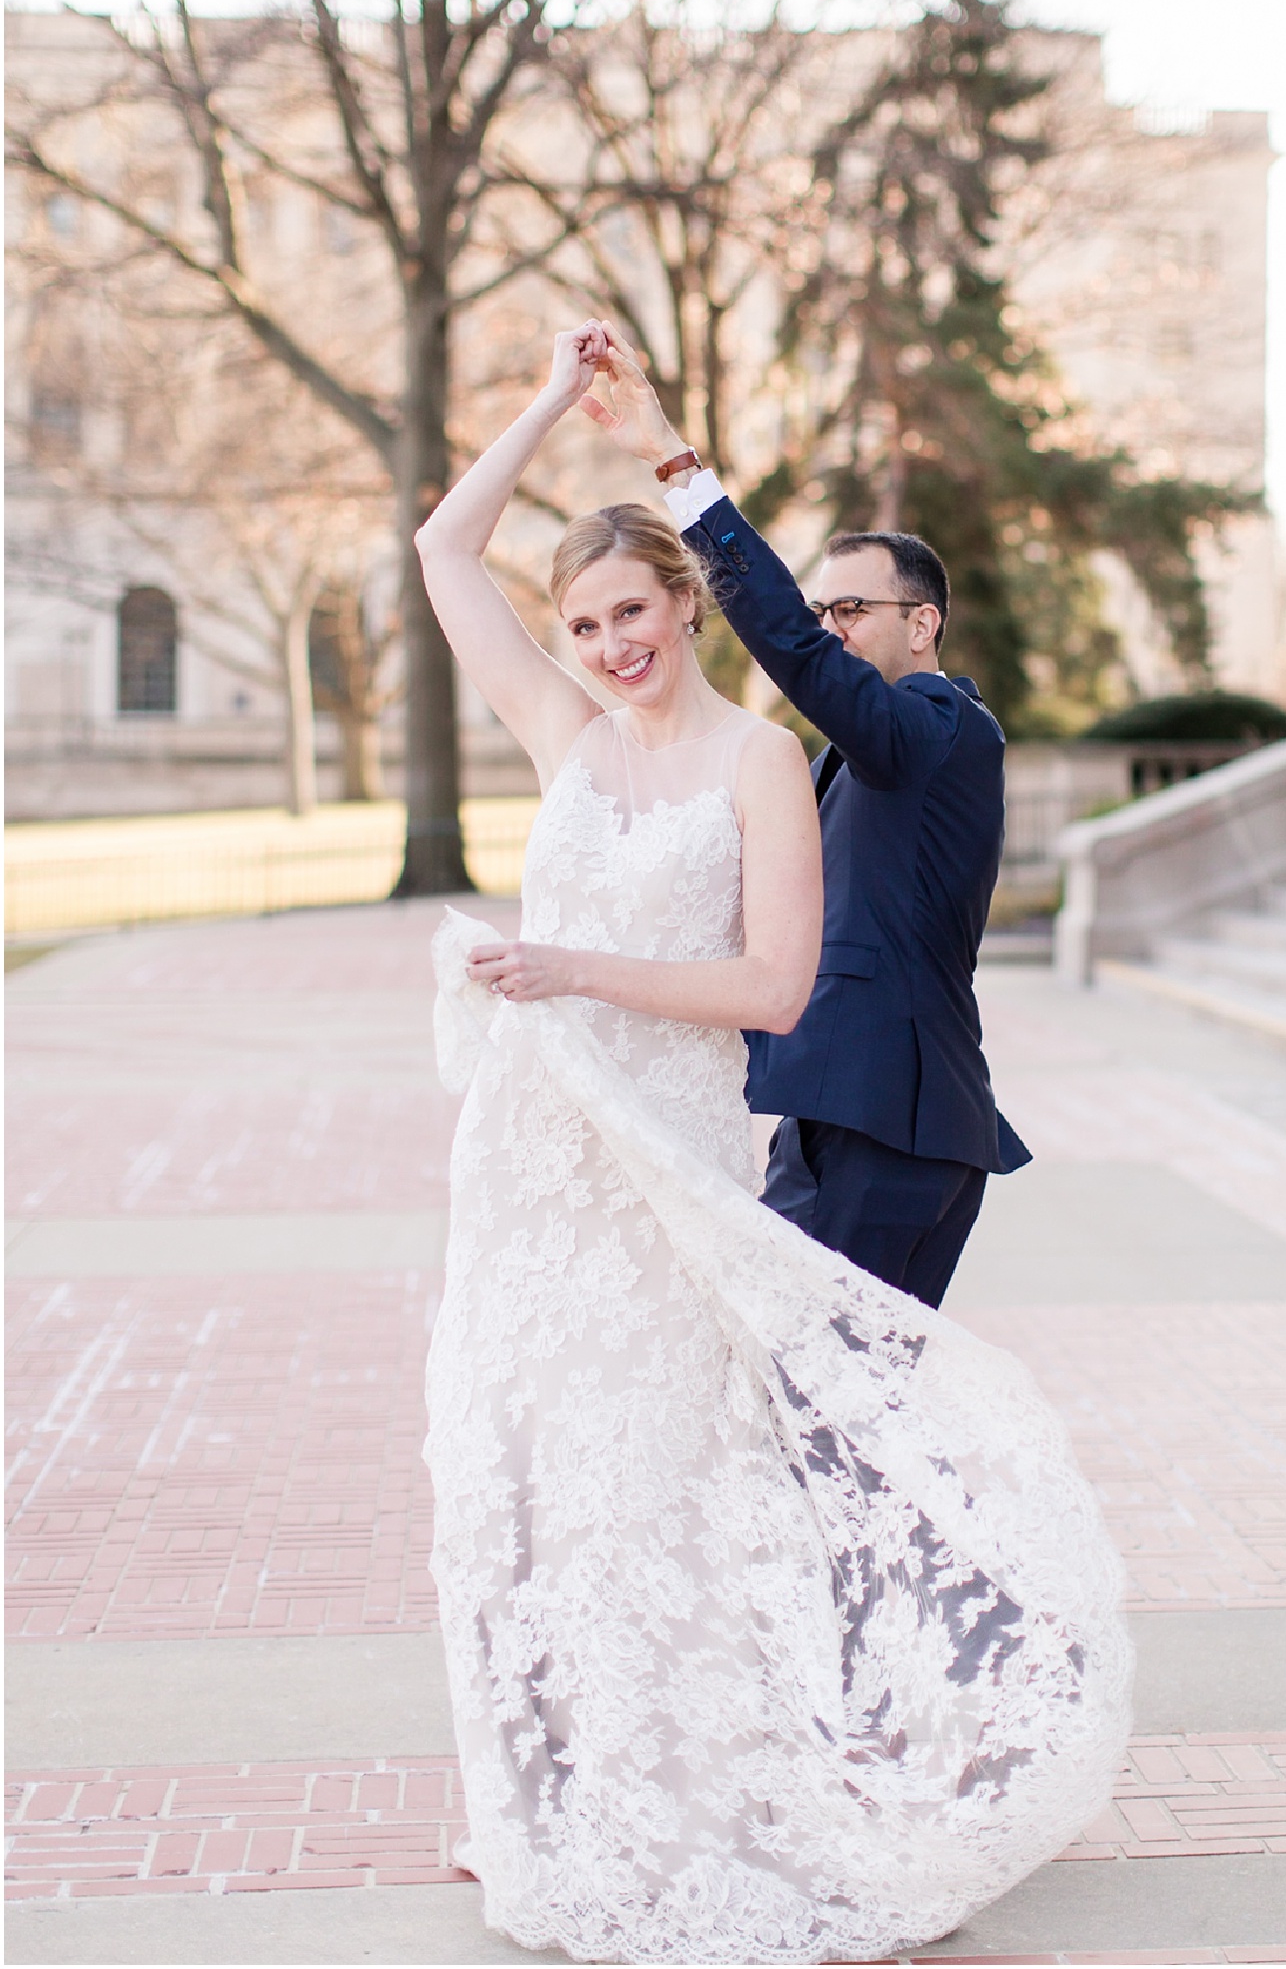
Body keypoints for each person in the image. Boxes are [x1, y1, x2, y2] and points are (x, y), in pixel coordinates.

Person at [414, 321, 1131, 1964]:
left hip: (710, 1143)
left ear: (684, 608)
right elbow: (446, 550)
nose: (606, 642)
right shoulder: (569, 736)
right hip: (540, 1160)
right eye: (584, 622)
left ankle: (830, 1747)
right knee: (525, 1474)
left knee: (707, 1463)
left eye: (631, 611)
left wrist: (671, 454)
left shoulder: (822, 745)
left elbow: (774, 976)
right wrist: (550, 405)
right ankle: (553, 1788)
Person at [577, 323, 1029, 1309]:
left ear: (923, 624)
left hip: (887, 1122)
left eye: (851, 609)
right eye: (823, 611)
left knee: (819, 1406)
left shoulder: (938, 723)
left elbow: (788, 645)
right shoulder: (856, 755)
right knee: (840, 1419)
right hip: (851, 1115)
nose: (828, 629)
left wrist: (671, 460)